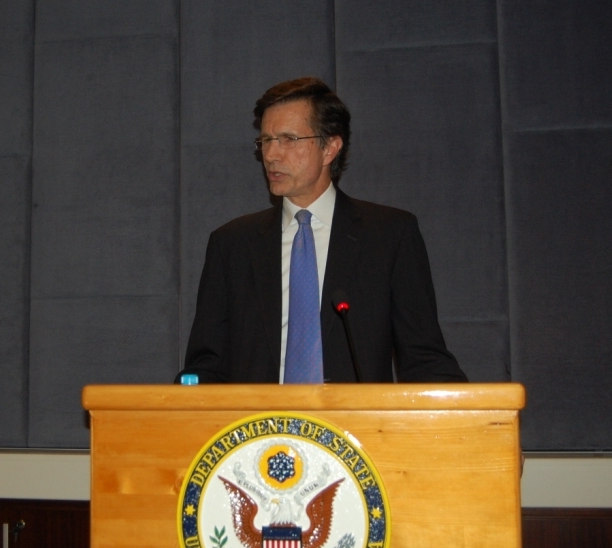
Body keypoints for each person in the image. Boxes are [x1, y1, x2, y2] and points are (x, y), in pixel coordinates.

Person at [177, 77, 466, 384]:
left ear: (330, 148)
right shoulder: (232, 244)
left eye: (288, 139)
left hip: (352, 416)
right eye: (266, 141)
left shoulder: (389, 235)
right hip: (261, 416)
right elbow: (206, 366)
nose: (271, 155)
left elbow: (424, 357)